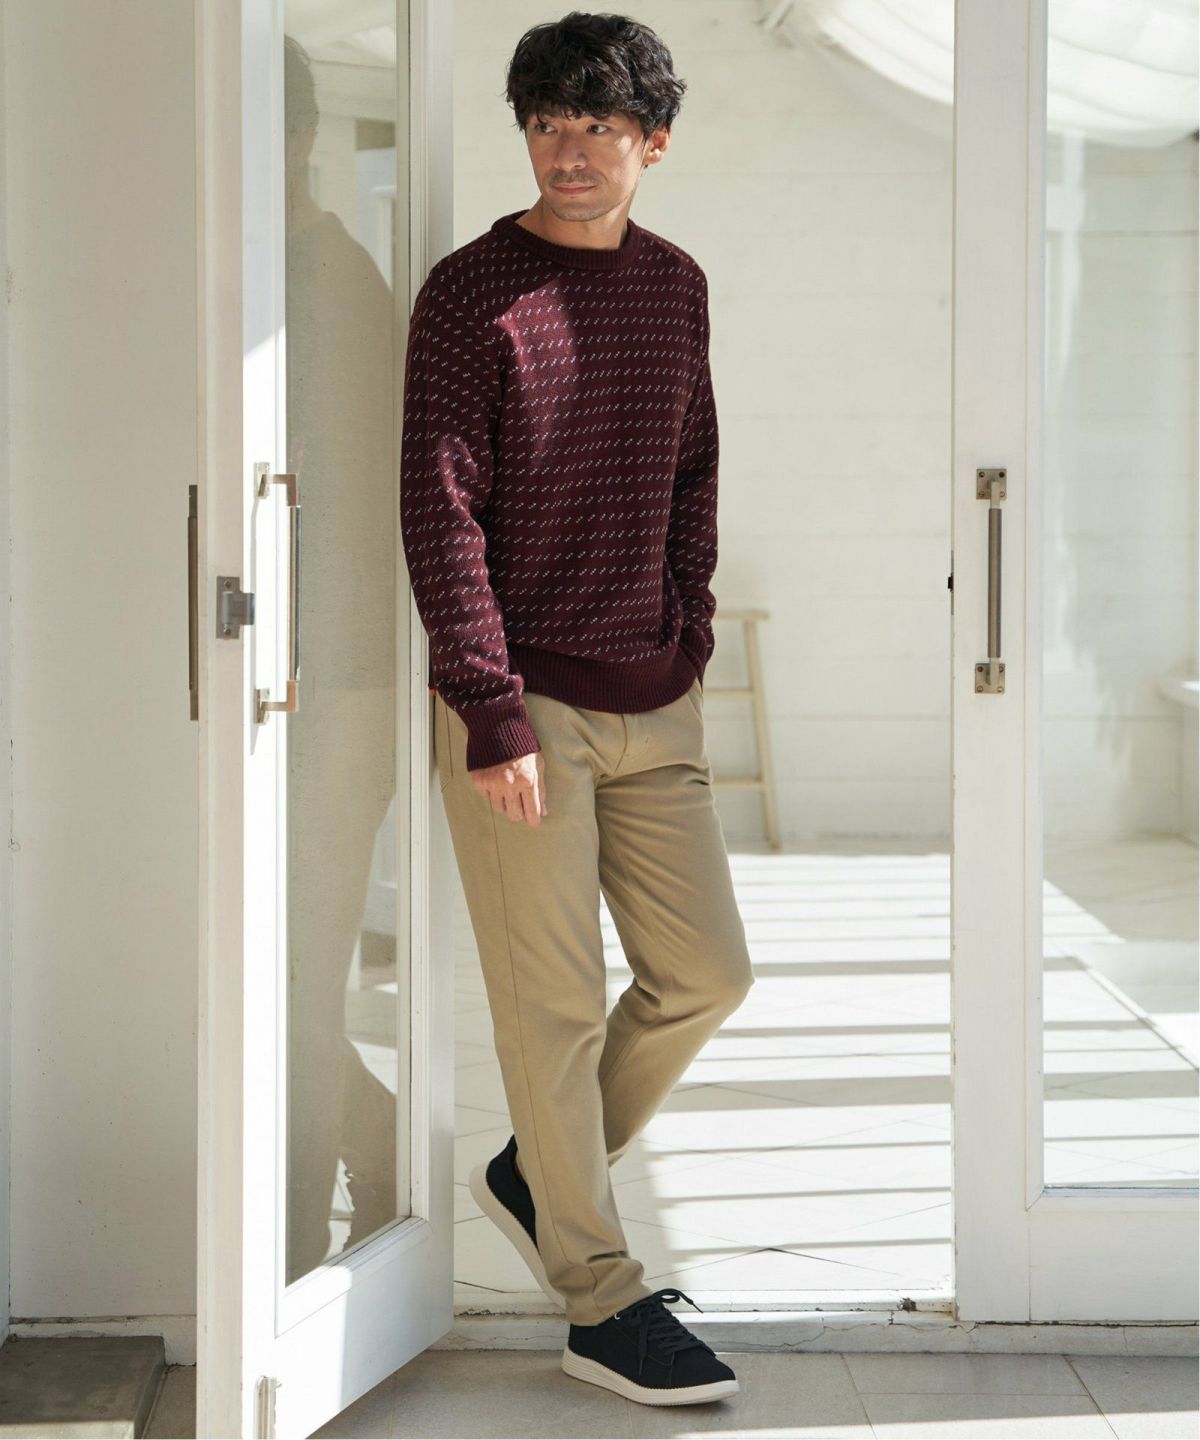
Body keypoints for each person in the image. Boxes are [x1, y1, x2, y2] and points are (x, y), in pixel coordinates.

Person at [400, 11, 755, 1408]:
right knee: (551, 1009)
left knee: (706, 974)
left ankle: (537, 1178)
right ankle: (600, 1299)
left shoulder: (675, 285)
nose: (568, 152)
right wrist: (489, 708)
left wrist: (690, 628)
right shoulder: (469, 293)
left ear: (652, 143)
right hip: (525, 703)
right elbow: (440, 507)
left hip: (653, 695)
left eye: (598, 127)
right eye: (547, 124)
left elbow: (694, 468)